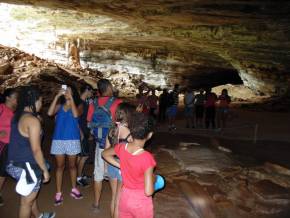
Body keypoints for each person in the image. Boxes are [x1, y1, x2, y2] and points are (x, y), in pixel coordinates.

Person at [6, 86, 55, 218]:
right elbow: (36, 149)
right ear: (33, 101)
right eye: (40, 101)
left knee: (29, 195)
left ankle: (38, 215)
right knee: (26, 202)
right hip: (27, 166)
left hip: (14, 162)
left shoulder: (18, 116)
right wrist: (44, 170)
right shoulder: (32, 121)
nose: (41, 104)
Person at [102, 112, 156, 218]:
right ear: (149, 135)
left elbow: (104, 154)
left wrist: (121, 165)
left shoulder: (122, 147)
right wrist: (154, 180)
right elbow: (149, 191)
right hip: (141, 202)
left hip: (125, 197)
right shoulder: (147, 158)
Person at [87, 79, 122, 211]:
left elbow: (89, 123)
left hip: (100, 145)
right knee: (118, 177)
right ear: (108, 87)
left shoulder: (93, 103)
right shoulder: (118, 103)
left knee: (98, 175)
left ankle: (96, 204)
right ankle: (116, 205)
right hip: (115, 146)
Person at [48, 85, 83, 206]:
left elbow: (75, 115)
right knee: (59, 166)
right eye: (65, 90)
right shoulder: (59, 106)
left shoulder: (77, 106)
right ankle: (58, 192)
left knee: (72, 166)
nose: (67, 92)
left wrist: (71, 99)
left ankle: (74, 188)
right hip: (58, 140)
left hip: (72, 140)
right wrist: (57, 96)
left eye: (69, 91)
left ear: (73, 93)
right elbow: (49, 112)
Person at [105, 102, 135, 218]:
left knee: (113, 197)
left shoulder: (112, 129)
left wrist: (106, 167)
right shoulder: (128, 133)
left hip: (112, 165)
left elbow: (106, 150)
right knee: (119, 199)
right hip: (122, 167)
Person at [0, 88, 18, 206]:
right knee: (1, 171)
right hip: (1, 144)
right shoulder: (1, 108)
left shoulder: (13, 111)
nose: (17, 99)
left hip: (9, 145)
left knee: (3, 171)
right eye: (15, 97)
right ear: (8, 97)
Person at [76, 85, 93, 187]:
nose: (92, 93)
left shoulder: (83, 102)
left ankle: (80, 174)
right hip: (81, 132)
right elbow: (76, 118)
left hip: (84, 130)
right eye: (91, 91)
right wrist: (81, 132)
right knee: (84, 155)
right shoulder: (80, 103)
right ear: (87, 90)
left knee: (81, 155)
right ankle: (78, 178)